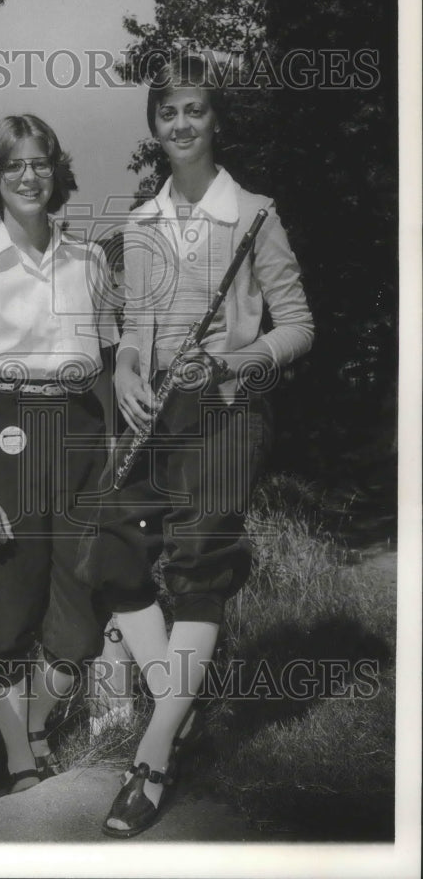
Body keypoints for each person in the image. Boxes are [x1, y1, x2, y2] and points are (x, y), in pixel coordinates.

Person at [76, 53, 314, 838]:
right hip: (157, 418)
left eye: (194, 110)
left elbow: (299, 327)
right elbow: (133, 336)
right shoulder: (140, 224)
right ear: (154, 126)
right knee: (110, 550)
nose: (180, 124)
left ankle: (151, 760)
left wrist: (234, 362)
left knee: (199, 562)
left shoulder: (254, 213)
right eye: (167, 112)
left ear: (216, 120)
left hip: (227, 409)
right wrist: (127, 370)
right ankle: (182, 699)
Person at [0, 114, 119, 793]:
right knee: (6, 610)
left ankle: (38, 723)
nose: (28, 175)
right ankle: (19, 757)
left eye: (40, 161)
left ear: (56, 170)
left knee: (78, 624)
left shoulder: (90, 261)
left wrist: (107, 457)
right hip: (5, 428)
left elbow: (106, 367)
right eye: (13, 164)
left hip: (76, 432)